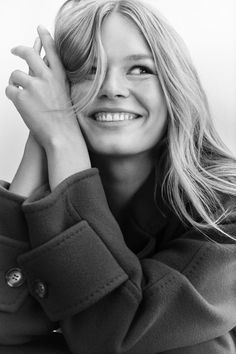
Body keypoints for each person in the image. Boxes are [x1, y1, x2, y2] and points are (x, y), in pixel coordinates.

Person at [0, 0, 236, 353]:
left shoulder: (224, 213)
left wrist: (63, 142)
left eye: (140, 69)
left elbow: (113, 334)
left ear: (175, 87)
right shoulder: (37, 184)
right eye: (86, 72)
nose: (110, 88)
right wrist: (41, 145)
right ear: (58, 93)